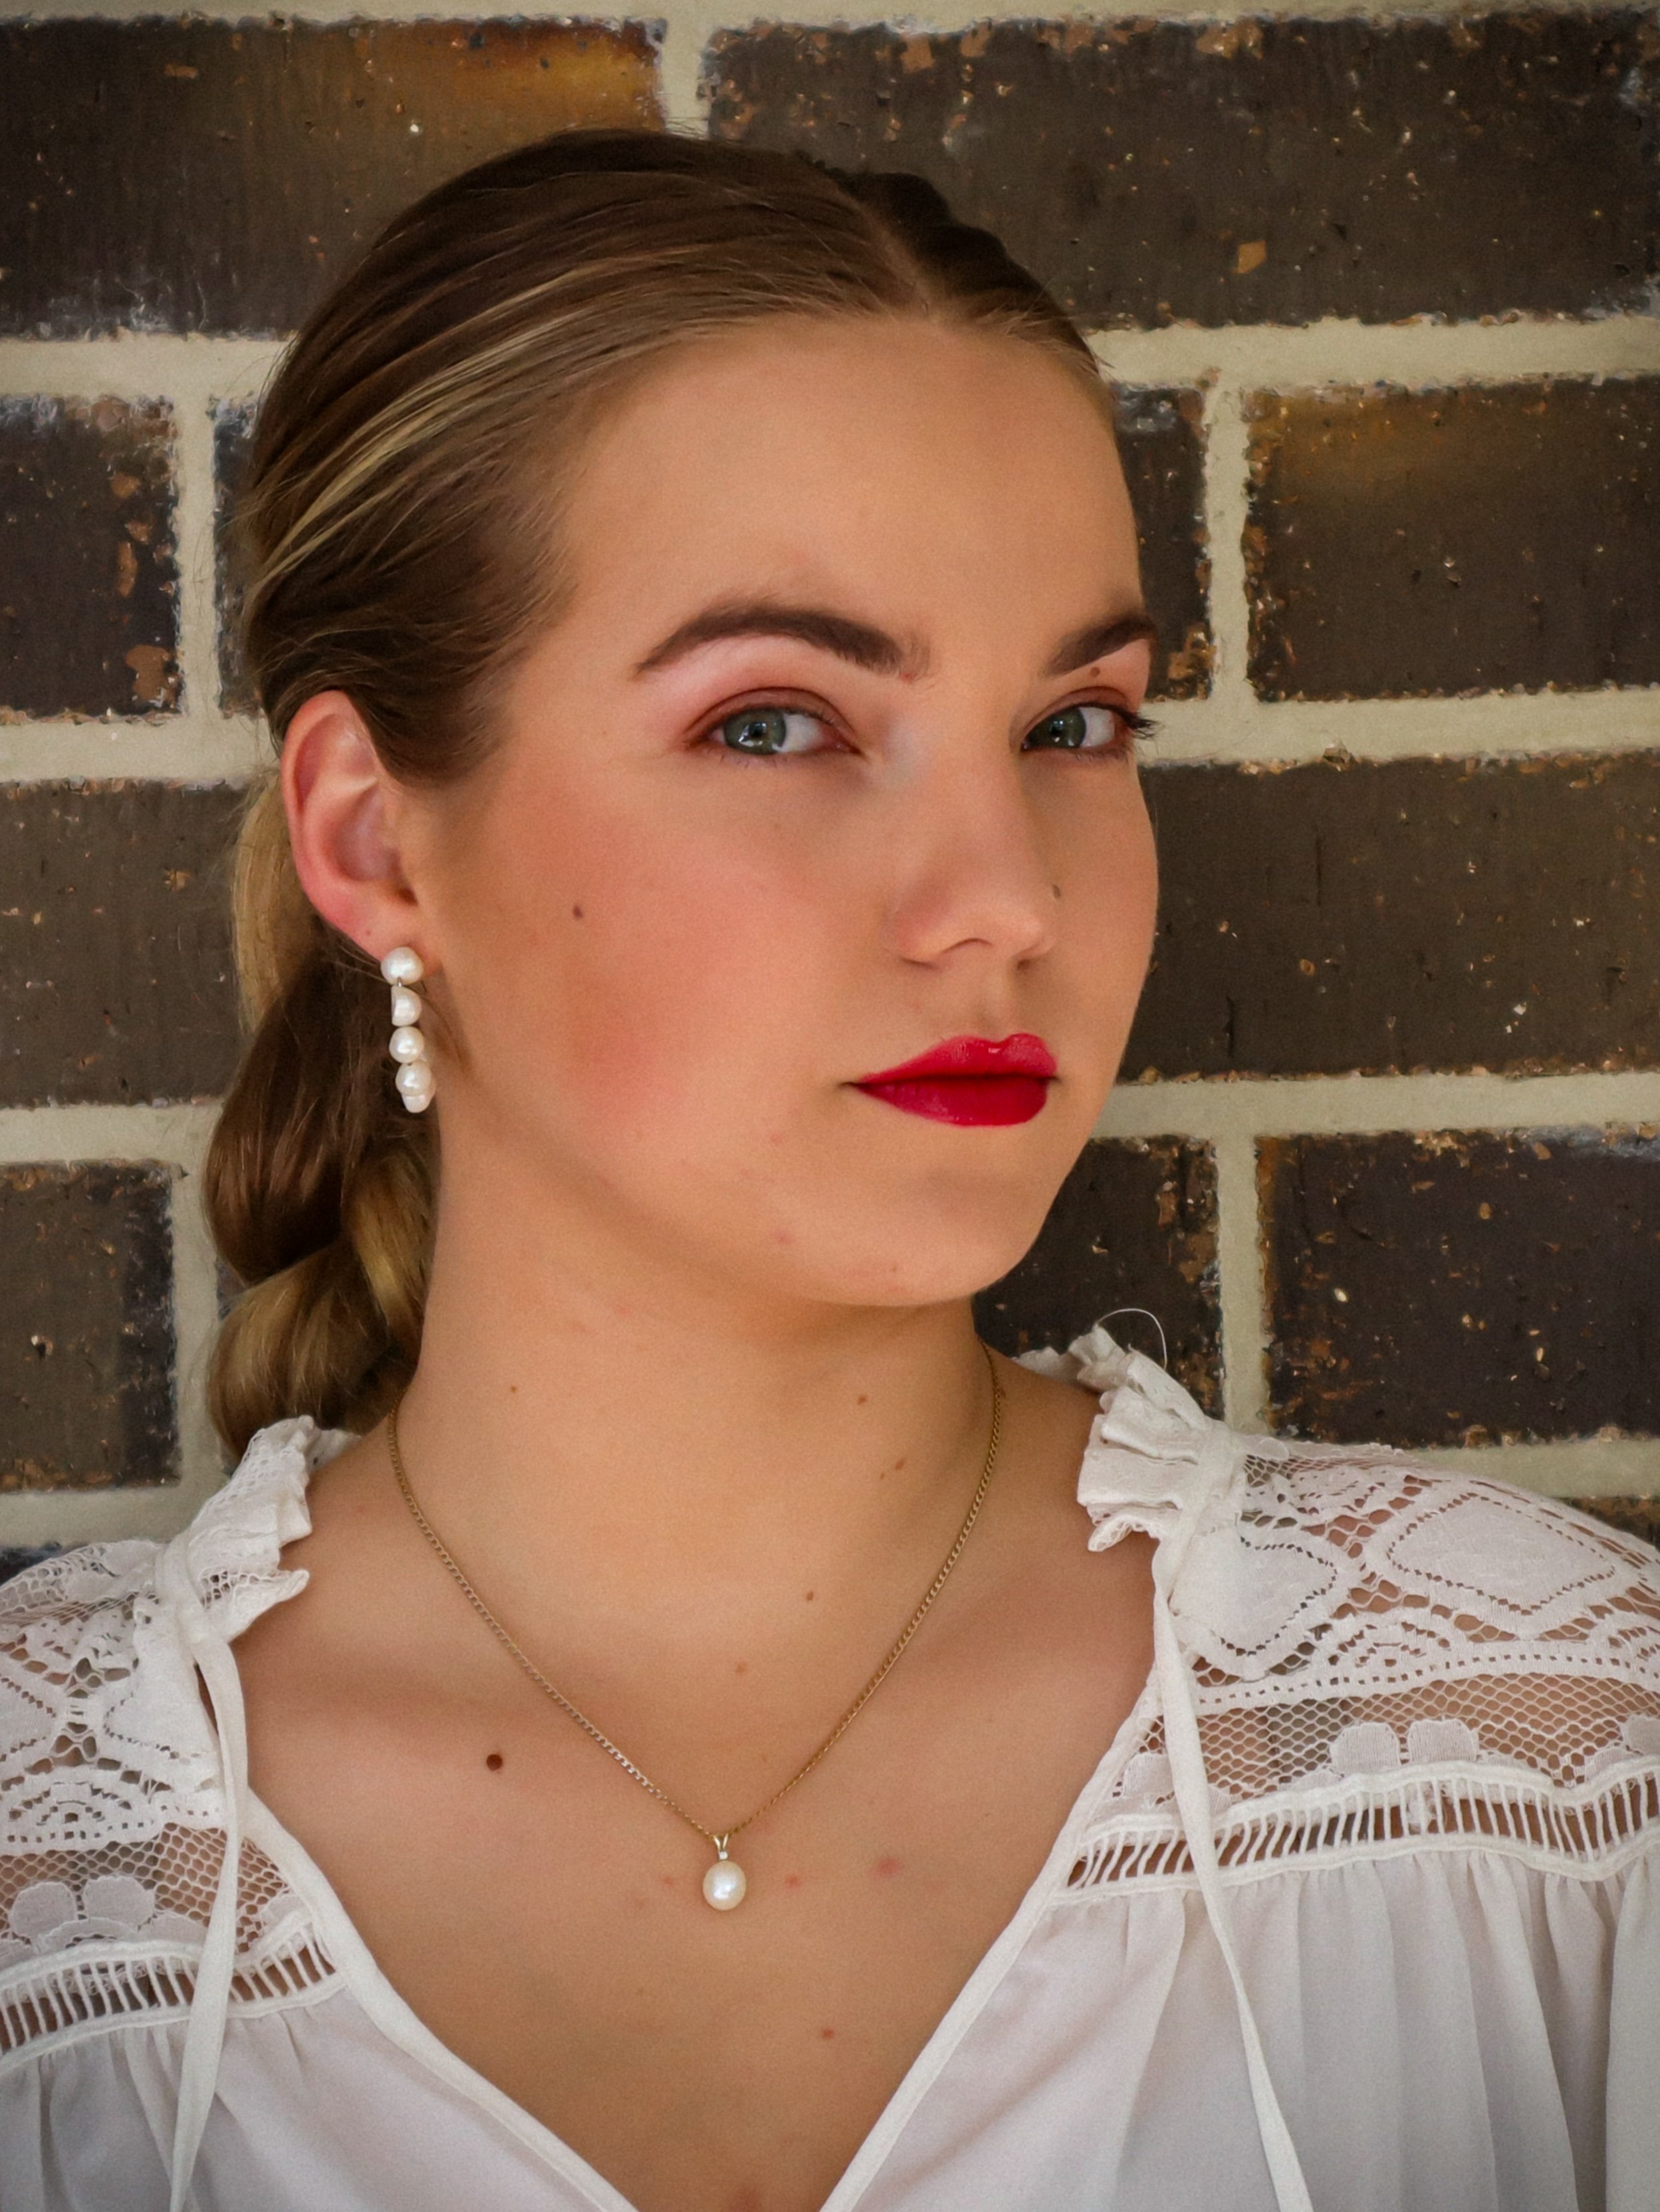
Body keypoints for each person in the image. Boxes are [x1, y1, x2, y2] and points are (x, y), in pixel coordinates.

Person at [1, 130, 1655, 2212]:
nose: (1000, 903)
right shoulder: (47, 1892)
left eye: (1073, 724)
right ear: (375, 840)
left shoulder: (1542, 1772)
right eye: (774, 723)